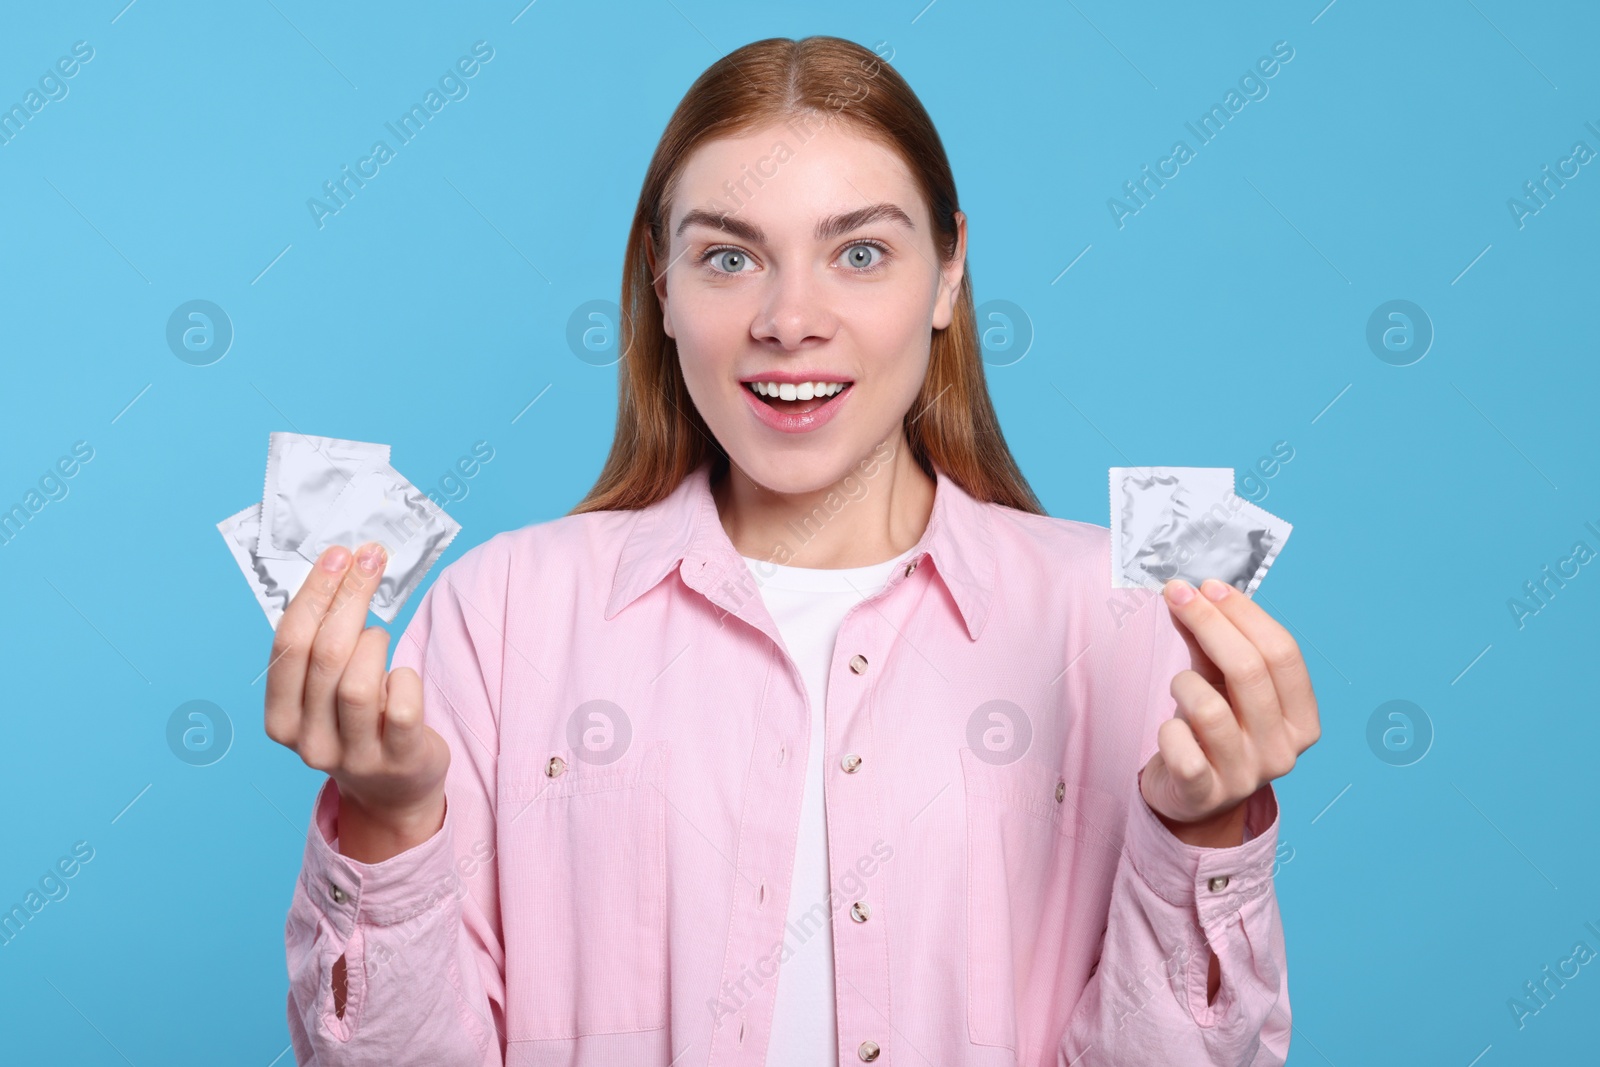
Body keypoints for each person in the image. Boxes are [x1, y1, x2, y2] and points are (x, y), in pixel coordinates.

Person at [267, 34, 1319, 1066]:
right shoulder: (500, 610)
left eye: (859, 252)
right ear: (661, 286)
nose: (790, 318)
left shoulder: (1125, 619)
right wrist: (388, 818)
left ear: (948, 274)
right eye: (728, 257)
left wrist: (1206, 832)